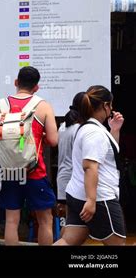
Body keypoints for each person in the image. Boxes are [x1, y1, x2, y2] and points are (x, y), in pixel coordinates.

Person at [55, 85, 126, 246]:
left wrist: (114, 130)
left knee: (68, 241)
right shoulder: (94, 132)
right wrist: (91, 200)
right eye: (111, 104)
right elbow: (90, 166)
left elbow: (107, 157)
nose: (112, 108)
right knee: (118, 244)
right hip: (100, 197)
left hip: (78, 194)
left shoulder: (88, 128)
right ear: (105, 105)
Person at [0, 66, 58, 246]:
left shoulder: (1, 105)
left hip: (9, 170)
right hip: (35, 170)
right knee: (45, 220)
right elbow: (53, 140)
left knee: (11, 221)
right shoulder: (43, 106)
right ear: (36, 87)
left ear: (16, 82)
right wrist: (40, 138)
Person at [55, 92, 85, 227]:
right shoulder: (80, 129)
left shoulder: (62, 127)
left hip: (63, 178)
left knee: (70, 223)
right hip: (76, 179)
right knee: (77, 224)